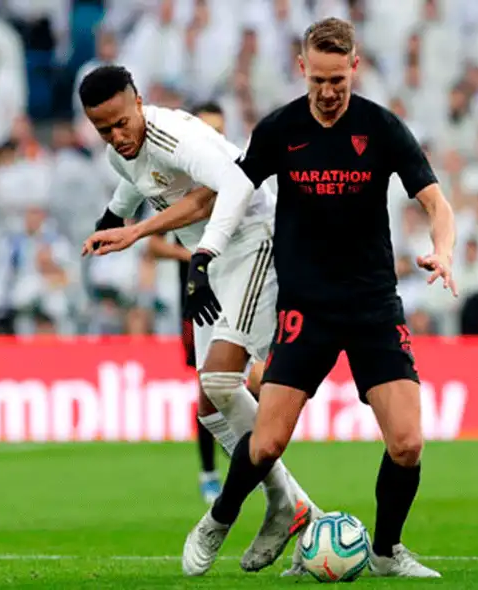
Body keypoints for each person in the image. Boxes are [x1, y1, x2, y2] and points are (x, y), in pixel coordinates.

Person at [180, 18, 456, 578]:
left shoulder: (380, 127)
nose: (329, 93)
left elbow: (435, 202)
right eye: (319, 80)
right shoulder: (279, 130)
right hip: (306, 306)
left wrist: (443, 251)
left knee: (407, 443)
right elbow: (227, 195)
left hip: (373, 305)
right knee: (267, 441)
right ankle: (218, 518)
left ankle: (385, 552)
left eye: (339, 80)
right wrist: (153, 233)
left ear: (354, 67)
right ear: (302, 68)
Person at [78, 65, 321, 574]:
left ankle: (264, 511)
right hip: (212, 261)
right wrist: (111, 217)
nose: (117, 137)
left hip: (254, 240)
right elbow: (132, 179)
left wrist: (170, 243)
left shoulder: (175, 133)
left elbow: (228, 186)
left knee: (221, 380)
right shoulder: (120, 150)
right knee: (210, 405)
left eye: (122, 123)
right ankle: (289, 503)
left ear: (138, 102)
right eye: (104, 129)